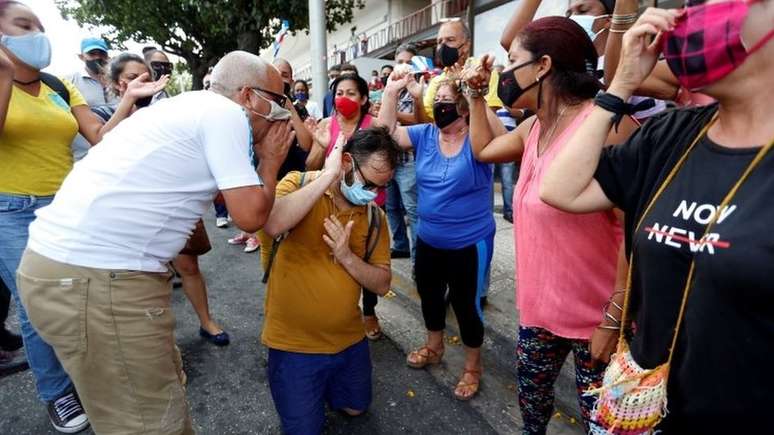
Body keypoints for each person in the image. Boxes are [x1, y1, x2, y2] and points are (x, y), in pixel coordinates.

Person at [16, 50, 294, 434]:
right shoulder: (224, 114)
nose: (282, 112)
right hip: (98, 280)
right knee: (149, 423)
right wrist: (270, 160)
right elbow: (250, 217)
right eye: (278, 100)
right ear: (248, 95)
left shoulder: (186, 108)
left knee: (144, 405)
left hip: (79, 274)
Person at [540, 3, 774, 433]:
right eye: (691, 4)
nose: (691, 16)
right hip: (639, 408)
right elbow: (559, 189)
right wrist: (621, 83)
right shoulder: (671, 134)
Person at [463, 15, 637, 433]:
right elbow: (483, 149)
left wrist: (614, 318)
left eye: (512, 60)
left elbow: (636, 229)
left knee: (604, 425)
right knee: (532, 414)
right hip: (538, 313)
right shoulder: (533, 126)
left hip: (597, 321)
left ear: (542, 66)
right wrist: (474, 95)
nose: (503, 73)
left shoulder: (607, 127)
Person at [0, 2, 167, 432]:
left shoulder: (58, 85)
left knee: (77, 295)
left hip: (64, 203)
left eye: (38, 24)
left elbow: (97, 137)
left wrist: (128, 99)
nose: (36, 33)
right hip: (10, 209)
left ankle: (82, 376)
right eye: (23, 25)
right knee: (35, 306)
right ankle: (56, 393)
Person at [379, 71, 507, 401]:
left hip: (470, 242)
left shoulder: (479, 139)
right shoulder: (425, 134)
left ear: (463, 108)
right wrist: (391, 93)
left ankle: (472, 368)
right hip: (429, 238)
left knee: (466, 306)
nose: (439, 108)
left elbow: (506, 139)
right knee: (431, 295)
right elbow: (386, 133)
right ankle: (433, 347)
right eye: (435, 101)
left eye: (446, 102)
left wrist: (476, 93)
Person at [261, 127, 396, 434]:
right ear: (346, 162)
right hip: (293, 345)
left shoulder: (375, 218)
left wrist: (347, 256)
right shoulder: (298, 183)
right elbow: (272, 222)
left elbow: (382, 283)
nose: (373, 193)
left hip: (349, 341)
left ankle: (321, 390)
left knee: (356, 407)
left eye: (381, 187)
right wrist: (326, 177)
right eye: (371, 182)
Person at [305, 73, 388, 339]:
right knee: (336, 258)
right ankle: (337, 310)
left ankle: (369, 312)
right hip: (333, 202)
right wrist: (321, 145)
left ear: (364, 98)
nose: (344, 98)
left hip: (368, 205)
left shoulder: (374, 125)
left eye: (351, 93)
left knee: (366, 259)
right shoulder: (327, 124)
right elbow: (310, 166)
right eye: (339, 93)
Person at [422, 19, 503, 120]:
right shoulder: (436, 81)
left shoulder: (484, 72)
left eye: (450, 40)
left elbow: (490, 118)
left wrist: (463, 87)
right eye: (439, 42)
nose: (443, 46)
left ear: (466, 45)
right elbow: (425, 121)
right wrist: (417, 98)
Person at [385, 43, 421, 264]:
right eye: (400, 62)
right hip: (389, 159)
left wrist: (391, 111)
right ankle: (400, 245)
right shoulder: (391, 90)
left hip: (409, 161)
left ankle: (419, 263)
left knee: (413, 212)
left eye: (409, 62)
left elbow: (419, 121)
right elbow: (384, 124)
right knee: (391, 207)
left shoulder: (420, 90)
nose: (404, 67)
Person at [68, 36, 117, 161]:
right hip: (85, 156)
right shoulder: (70, 82)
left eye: (102, 53)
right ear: (81, 56)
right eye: (92, 53)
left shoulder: (119, 81)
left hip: (119, 153)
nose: (97, 57)